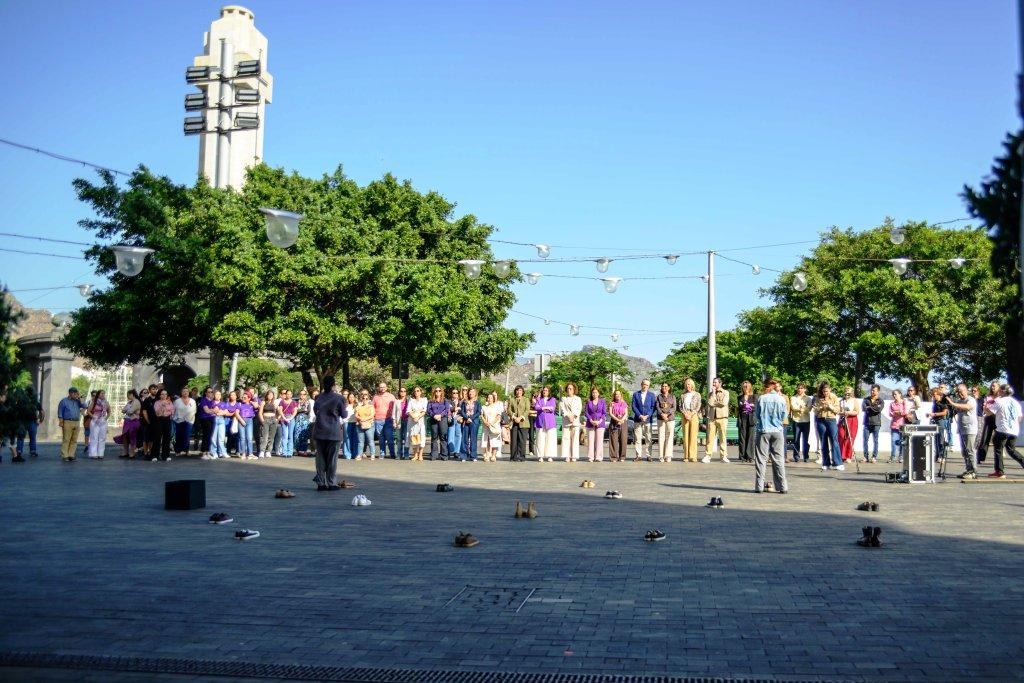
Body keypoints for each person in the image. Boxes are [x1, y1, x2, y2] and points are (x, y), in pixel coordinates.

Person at [311, 374, 348, 491]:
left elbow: (315, 411)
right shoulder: (339, 398)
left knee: (320, 458)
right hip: (333, 432)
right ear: (333, 385)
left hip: (320, 430)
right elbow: (344, 414)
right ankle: (331, 483)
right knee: (332, 459)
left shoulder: (318, 398)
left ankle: (321, 483)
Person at [754, 379, 789, 493]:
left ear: (767, 387)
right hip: (778, 431)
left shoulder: (761, 398)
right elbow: (784, 415)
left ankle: (759, 486)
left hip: (763, 430)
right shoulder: (781, 399)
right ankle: (783, 487)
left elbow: (757, 415)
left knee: (761, 459)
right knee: (778, 459)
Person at [990, 384, 1023, 478]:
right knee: (1011, 450)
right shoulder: (1015, 402)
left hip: (1002, 429)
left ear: (1003, 391)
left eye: (999, 390)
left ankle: (999, 472)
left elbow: (989, 412)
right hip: (1014, 430)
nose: (998, 392)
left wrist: (985, 407)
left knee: (998, 450)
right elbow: (1020, 417)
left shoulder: (999, 401)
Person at [948, 383, 978, 479]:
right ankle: (968, 469)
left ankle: (973, 471)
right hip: (962, 428)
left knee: (970, 450)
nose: (959, 394)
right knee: (964, 452)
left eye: (961, 392)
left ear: (966, 390)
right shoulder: (960, 401)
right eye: (958, 392)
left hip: (970, 429)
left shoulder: (970, 399)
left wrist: (953, 403)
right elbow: (956, 409)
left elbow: (967, 407)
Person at [813, 381, 843, 471]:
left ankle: (838, 463)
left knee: (834, 440)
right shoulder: (818, 397)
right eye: (824, 391)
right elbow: (815, 411)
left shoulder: (834, 397)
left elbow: (837, 410)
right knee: (823, 441)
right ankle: (826, 463)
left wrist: (830, 406)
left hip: (831, 419)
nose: (825, 393)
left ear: (830, 390)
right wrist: (821, 407)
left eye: (827, 391)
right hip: (821, 420)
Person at [703, 377, 730, 463]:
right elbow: (710, 403)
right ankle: (708, 455)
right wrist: (714, 394)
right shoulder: (710, 393)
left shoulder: (725, 392)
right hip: (712, 418)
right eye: (713, 382)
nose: (714, 384)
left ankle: (723, 456)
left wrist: (715, 403)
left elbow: (724, 403)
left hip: (722, 418)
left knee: (723, 438)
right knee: (710, 438)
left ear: (720, 383)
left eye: (715, 382)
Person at [976, 380, 1001, 464]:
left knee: (999, 439)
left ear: (998, 387)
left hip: (998, 418)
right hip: (989, 417)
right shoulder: (988, 396)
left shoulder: (1001, 397)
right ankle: (980, 457)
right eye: (992, 386)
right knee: (985, 438)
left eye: (994, 386)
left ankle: (1000, 456)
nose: (993, 387)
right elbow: (984, 406)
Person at [14, 386, 43, 459]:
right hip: (32, 421)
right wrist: (40, 420)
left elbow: (15, 411)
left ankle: (19, 451)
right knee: (32, 437)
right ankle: (33, 451)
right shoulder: (35, 402)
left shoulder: (21, 401)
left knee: (20, 437)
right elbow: (42, 412)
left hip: (22, 421)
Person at [631, 379, 656, 461]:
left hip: (648, 420)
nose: (645, 386)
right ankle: (638, 456)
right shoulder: (635, 394)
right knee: (638, 438)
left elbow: (653, 407)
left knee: (648, 438)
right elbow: (634, 406)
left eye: (647, 385)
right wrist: (640, 415)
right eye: (644, 384)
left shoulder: (652, 395)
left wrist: (647, 415)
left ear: (649, 386)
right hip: (638, 419)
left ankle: (649, 456)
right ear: (641, 384)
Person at [559, 382, 583, 462]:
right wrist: (568, 416)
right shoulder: (563, 398)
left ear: (574, 390)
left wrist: (574, 416)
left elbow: (579, 409)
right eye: (568, 388)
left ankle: (574, 456)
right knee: (566, 439)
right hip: (566, 421)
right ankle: (567, 456)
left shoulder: (578, 399)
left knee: (575, 439)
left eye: (571, 389)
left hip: (575, 421)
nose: (569, 390)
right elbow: (562, 409)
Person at [372, 382, 397, 459]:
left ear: (386, 388)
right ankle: (382, 453)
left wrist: (394, 420)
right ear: (379, 388)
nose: (382, 388)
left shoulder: (391, 396)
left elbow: (395, 408)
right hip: (378, 420)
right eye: (380, 387)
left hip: (388, 419)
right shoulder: (375, 397)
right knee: (381, 438)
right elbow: (372, 408)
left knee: (390, 438)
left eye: (383, 387)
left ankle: (392, 453)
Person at [426, 387, 451, 461]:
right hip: (434, 419)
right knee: (434, 437)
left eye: (439, 390)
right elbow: (428, 410)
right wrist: (434, 415)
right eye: (436, 390)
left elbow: (447, 410)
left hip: (443, 419)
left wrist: (440, 415)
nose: (438, 392)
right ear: (434, 392)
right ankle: (434, 455)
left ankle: (444, 455)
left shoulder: (445, 400)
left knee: (443, 437)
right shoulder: (431, 401)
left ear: (442, 392)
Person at [789, 383, 812, 463]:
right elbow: (793, 407)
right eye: (798, 388)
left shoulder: (808, 398)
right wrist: (802, 408)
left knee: (806, 440)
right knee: (796, 439)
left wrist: (800, 408)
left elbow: (809, 408)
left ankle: (806, 456)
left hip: (806, 421)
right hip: (796, 421)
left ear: (804, 389)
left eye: (801, 388)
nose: (800, 389)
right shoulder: (793, 397)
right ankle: (796, 456)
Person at [534, 386, 557, 462]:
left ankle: (550, 456)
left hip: (550, 422)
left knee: (550, 439)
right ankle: (540, 456)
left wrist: (543, 408)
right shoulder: (539, 399)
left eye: (546, 390)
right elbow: (536, 407)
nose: (544, 392)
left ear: (549, 392)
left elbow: (552, 408)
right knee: (540, 439)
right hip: (540, 422)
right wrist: (544, 408)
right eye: (544, 390)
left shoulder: (552, 399)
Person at [861, 385, 884, 463]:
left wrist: (869, 407)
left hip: (876, 423)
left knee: (875, 440)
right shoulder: (866, 399)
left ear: (878, 391)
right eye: (871, 390)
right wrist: (873, 407)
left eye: (874, 390)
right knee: (865, 441)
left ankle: (874, 457)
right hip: (867, 423)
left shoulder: (880, 400)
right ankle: (865, 457)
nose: (872, 391)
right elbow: (863, 408)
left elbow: (878, 409)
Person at [584, 386, 607, 463]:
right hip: (590, 423)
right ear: (591, 393)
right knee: (590, 441)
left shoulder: (602, 401)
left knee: (599, 441)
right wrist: (591, 420)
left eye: (596, 392)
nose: (594, 394)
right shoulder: (588, 402)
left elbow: (604, 413)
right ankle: (591, 457)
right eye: (593, 392)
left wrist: (599, 421)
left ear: (598, 393)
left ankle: (598, 457)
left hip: (600, 423)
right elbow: (586, 412)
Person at [507, 385, 530, 462]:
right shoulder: (511, 399)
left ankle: (521, 456)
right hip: (514, 422)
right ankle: (513, 456)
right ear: (515, 391)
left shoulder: (526, 400)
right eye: (517, 390)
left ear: (522, 391)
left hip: (523, 422)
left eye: (520, 390)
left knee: (522, 441)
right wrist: (514, 417)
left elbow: (527, 410)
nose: (518, 392)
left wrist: (520, 418)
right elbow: (509, 410)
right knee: (514, 440)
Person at [927, 387, 949, 464]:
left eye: (934, 394)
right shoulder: (935, 402)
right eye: (932, 395)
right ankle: (937, 455)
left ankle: (942, 456)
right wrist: (931, 415)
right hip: (935, 420)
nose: (933, 396)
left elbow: (945, 412)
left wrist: (934, 414)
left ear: (938, 394)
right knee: (936, 439)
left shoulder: (942, 402)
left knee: (941, 439)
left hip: (941, 421)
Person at [655, 382, 676, 463]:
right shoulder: (658, 397)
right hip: (661, 419)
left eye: (666, 386)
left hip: (670, 419)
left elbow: (674, 407)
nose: (664, 387)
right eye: (663, 386)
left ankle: (668, 455)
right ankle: (661, 456)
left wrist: (667, 414)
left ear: (669, 388)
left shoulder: (672, 396)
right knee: (661, 437)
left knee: (670, 437)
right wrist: (662, 414)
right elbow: (657, 406)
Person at [151, 389, 174, 462]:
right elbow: (157, 414)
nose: (164, 396)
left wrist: (167, 409)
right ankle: (155, 455)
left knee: (167, 438)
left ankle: (166, 455)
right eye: (162, 394)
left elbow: (172, 411)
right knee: (157, 438)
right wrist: (162, 407)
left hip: (167, 420)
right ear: (159, 395)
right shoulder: (157, 403)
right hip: (159, 420)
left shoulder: (169, 402)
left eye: (165, 394)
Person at [172, 387, 196, 457]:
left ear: (189, 393)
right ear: (181, 393)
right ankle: (178, 450)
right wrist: (175, 418)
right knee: (179, 436)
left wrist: (190, 419)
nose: (185, 393)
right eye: (183, 391)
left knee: (187, 436)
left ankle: (187, 450)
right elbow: (173, 410)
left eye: (187, 391)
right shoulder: (177, 401)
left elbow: (194, 411)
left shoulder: (192, 401)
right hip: (179, 420)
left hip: (189, 420)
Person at [480, 391, 504, 462]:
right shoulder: (484, 407)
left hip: (494, 425)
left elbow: (498, 415)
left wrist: (491, 423)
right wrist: (485, 421)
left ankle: (493, 455)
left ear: (493, 399)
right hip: (486, 426)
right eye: (488, 397)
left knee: (494, 441)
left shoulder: (497, 406)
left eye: (491, 398)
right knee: (487, 441)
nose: (489, 399)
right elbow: (481, 415)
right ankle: (487, 454)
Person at [406, 386, 428, 461]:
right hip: (412, 421)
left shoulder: (424, 400)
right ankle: (415, 455)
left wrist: (417, 417)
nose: (416, 392)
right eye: (415, 391)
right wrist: (413, 416)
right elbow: (408, 411)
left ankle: (421, 455)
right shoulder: (411, 400)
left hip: (421, 421)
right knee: (413, 437)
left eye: (418, 391)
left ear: (421, 392)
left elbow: (424, 410)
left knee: (421, 437)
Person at [736, 381, 756, 463]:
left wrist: (751, 406)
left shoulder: (754, 397)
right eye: (744, 386)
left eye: (747, 386)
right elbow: (738, 408)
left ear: (750, 387)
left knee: (750, 437)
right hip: (742, 417)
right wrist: (742, 405)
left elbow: (756, 407)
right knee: (742, 436)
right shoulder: (739, 397)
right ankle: (742, 456)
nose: (745, 388)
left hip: (751, 417)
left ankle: (750, 456)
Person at [86, 389, 109, 460]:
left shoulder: (106, 402)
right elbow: (88, 411)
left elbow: (109, 411)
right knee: (94, 437)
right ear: (98, 395)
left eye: (104, 394)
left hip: (103, 420)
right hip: (95, 420)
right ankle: (93, 453)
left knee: (102, 437)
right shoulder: (94, 402)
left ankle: (100, 453)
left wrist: (106, 418)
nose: (103, 395)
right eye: (101, 393)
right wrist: (93, 417)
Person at [838, 386, 859, 463]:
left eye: (849, 392)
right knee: (841, 436)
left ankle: (848, 456)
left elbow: (857, 411)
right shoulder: (841, 401)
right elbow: (838, 411)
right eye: (846, 392)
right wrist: (842, 413)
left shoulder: (854, 400)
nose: (847, 394)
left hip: (852, 420)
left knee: (850, 438)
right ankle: (841, 455)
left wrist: (848, 412)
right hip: (843, 419)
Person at [255, 390, 278, 459]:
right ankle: (262, 451)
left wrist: (277, 419)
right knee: (264, 436)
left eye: (271, 395)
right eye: (269, 395)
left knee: (271, 437)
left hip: (273, 419)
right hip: (266, 419)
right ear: (266, 395)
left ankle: (268, 451)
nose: (270, 396)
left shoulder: (275, 403)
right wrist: (262, 420)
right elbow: (260, 412)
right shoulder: (263, 402)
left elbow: (279, 411)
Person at [888, 390, 909, 464]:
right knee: (893, 440)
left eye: (896, 394)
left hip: (902, 425)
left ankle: (901, 456)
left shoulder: (904, 402)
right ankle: (893, 456)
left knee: (902, 442)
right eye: (893, 394)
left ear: (900, 394)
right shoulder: (892, 404)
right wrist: (898, 412)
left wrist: (897, 412)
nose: (894, 396)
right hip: (894, 425)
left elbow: (905, 412)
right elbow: (890, 413)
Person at [460, 388, 481, 462]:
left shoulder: (477, 402)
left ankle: (473, 456)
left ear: (475, 393)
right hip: (466, 422)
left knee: (473, 439)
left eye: (473, 392)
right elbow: (462, 411)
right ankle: (463, 456)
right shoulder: (464, 402)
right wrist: (466, 418)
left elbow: (478, 412)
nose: (471, 393)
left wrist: (471, 418)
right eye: (470, 391)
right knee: (464, 439)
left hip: (474, 421)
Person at [119, 389, 142, 459]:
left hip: (133, 421)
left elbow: (130, 411)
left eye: (129, 395)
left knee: (132, 437)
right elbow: (123, 410)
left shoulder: (136, 401)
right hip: (127, 421)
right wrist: (127, 410)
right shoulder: (129, 402)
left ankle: (132, 453)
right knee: (125, 436)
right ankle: (125, 452)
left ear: (133, 395)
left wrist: (127, 410)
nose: (127, 396)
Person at [607, 389, 629, 462]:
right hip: (614, 422)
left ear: (621, 395)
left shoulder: (624, 403)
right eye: (616, 394)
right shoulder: (611, 403)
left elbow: (626, 413)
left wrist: (621, 420)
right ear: (614, 395)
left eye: (619, 394)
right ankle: (613, 457)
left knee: (623, 439)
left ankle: (622, 457)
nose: (617, 395)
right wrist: (617, 420)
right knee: (613, 440)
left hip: (623, 423)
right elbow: (610, 413)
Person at [354, 389, 376, 459]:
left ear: (368, 399)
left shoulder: (371, 406)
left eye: (366, 398)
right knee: (360, 442)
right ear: (361, 398)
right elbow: (356, 415)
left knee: (370, 441)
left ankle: (372, 454)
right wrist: (361, 419)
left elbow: (372, 415)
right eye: (363, 398)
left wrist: (364, 419)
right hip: (360, 425)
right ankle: (359, 455)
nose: (365, 399)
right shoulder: (358, 407)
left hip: (369, 425)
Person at [196, 387, 217, 456]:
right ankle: (203, 452)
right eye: (209, 392)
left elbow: (217, 410)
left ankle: (207, 451)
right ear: (205, 393)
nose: (210, 393)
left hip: (212, 419)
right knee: (206, 435)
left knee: (210, 435)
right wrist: (213, 410)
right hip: (205, 419)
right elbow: (206, 410)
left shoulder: (212, 401)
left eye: (211, 392)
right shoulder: (203, 400)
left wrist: (212, 410)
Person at [293, 388, 313, 457]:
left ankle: (304, 450)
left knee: (304, 435)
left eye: (304, 394)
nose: (302, 395)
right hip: (298, 419)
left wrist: (300, 410)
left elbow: (308, 411)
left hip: (305, 419)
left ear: (306, 395)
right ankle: (296, 449)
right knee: (297, 435)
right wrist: (302, 410)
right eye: (301, 394)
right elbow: (295, 411)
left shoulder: (308, 402)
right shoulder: (296, 402)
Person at [139, 385, 158, 459]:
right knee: (146, 438)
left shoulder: (157, 399)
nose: (155, 390)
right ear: (150, 390)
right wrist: (148, 421)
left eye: (156, 389)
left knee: (152, 438)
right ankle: (145, 452)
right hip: (146, 422)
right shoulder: (147, 400)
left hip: (156, 422)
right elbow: (144, 412)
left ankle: (151, 452)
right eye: (153, 389)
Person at [278, 389, 298, 457]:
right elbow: (280, 411)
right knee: (284, 436)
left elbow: (295, 411)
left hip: (291, 419)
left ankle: (290, 452)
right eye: (287, 394)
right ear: (285, 394)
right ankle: (284, 452)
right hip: (284, 419)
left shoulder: (294, 402)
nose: (288, 395)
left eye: (290, 394)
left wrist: (291, 418)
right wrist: (284, 418)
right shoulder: (282, 401)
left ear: (292, 395)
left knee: (290, 436)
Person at [392, 386, 409, 460]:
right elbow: (393, 413)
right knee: (398, 439)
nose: (403, 392)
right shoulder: (396, 401)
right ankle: (399, 454)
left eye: (404, 391)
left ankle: (406, 454)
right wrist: (394, 421)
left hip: (407, 421)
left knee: (406, 438)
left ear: (406, 393)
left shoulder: (409, 401)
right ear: (399, 392)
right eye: (401, 391)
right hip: (399, 421)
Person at [446, 387, 463, 457]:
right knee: (451, 435)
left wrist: (461, 415)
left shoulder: (461, 402)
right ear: (451, 394)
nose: (455, 394)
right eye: (454, 393)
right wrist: (455, 407)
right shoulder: (448, 401)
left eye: (457, 393)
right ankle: (451, 451)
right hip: (451, 419)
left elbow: (463, 411)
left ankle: (457, 451)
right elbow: (448, 409)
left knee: (458, 435)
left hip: (458, 419)